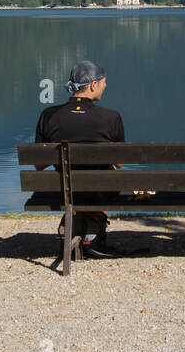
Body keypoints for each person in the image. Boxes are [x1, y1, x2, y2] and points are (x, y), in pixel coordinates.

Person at [33, 60, 124, 258]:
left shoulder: (48, 115)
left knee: (72, 180)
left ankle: (75, 223)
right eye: (104, 82)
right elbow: (119, 163)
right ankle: (92, 230)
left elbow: (38, 164)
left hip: (61, 192)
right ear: (93, 85)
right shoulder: (111, 118)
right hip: (99, 191)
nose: (105, 86)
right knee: (109, 174)